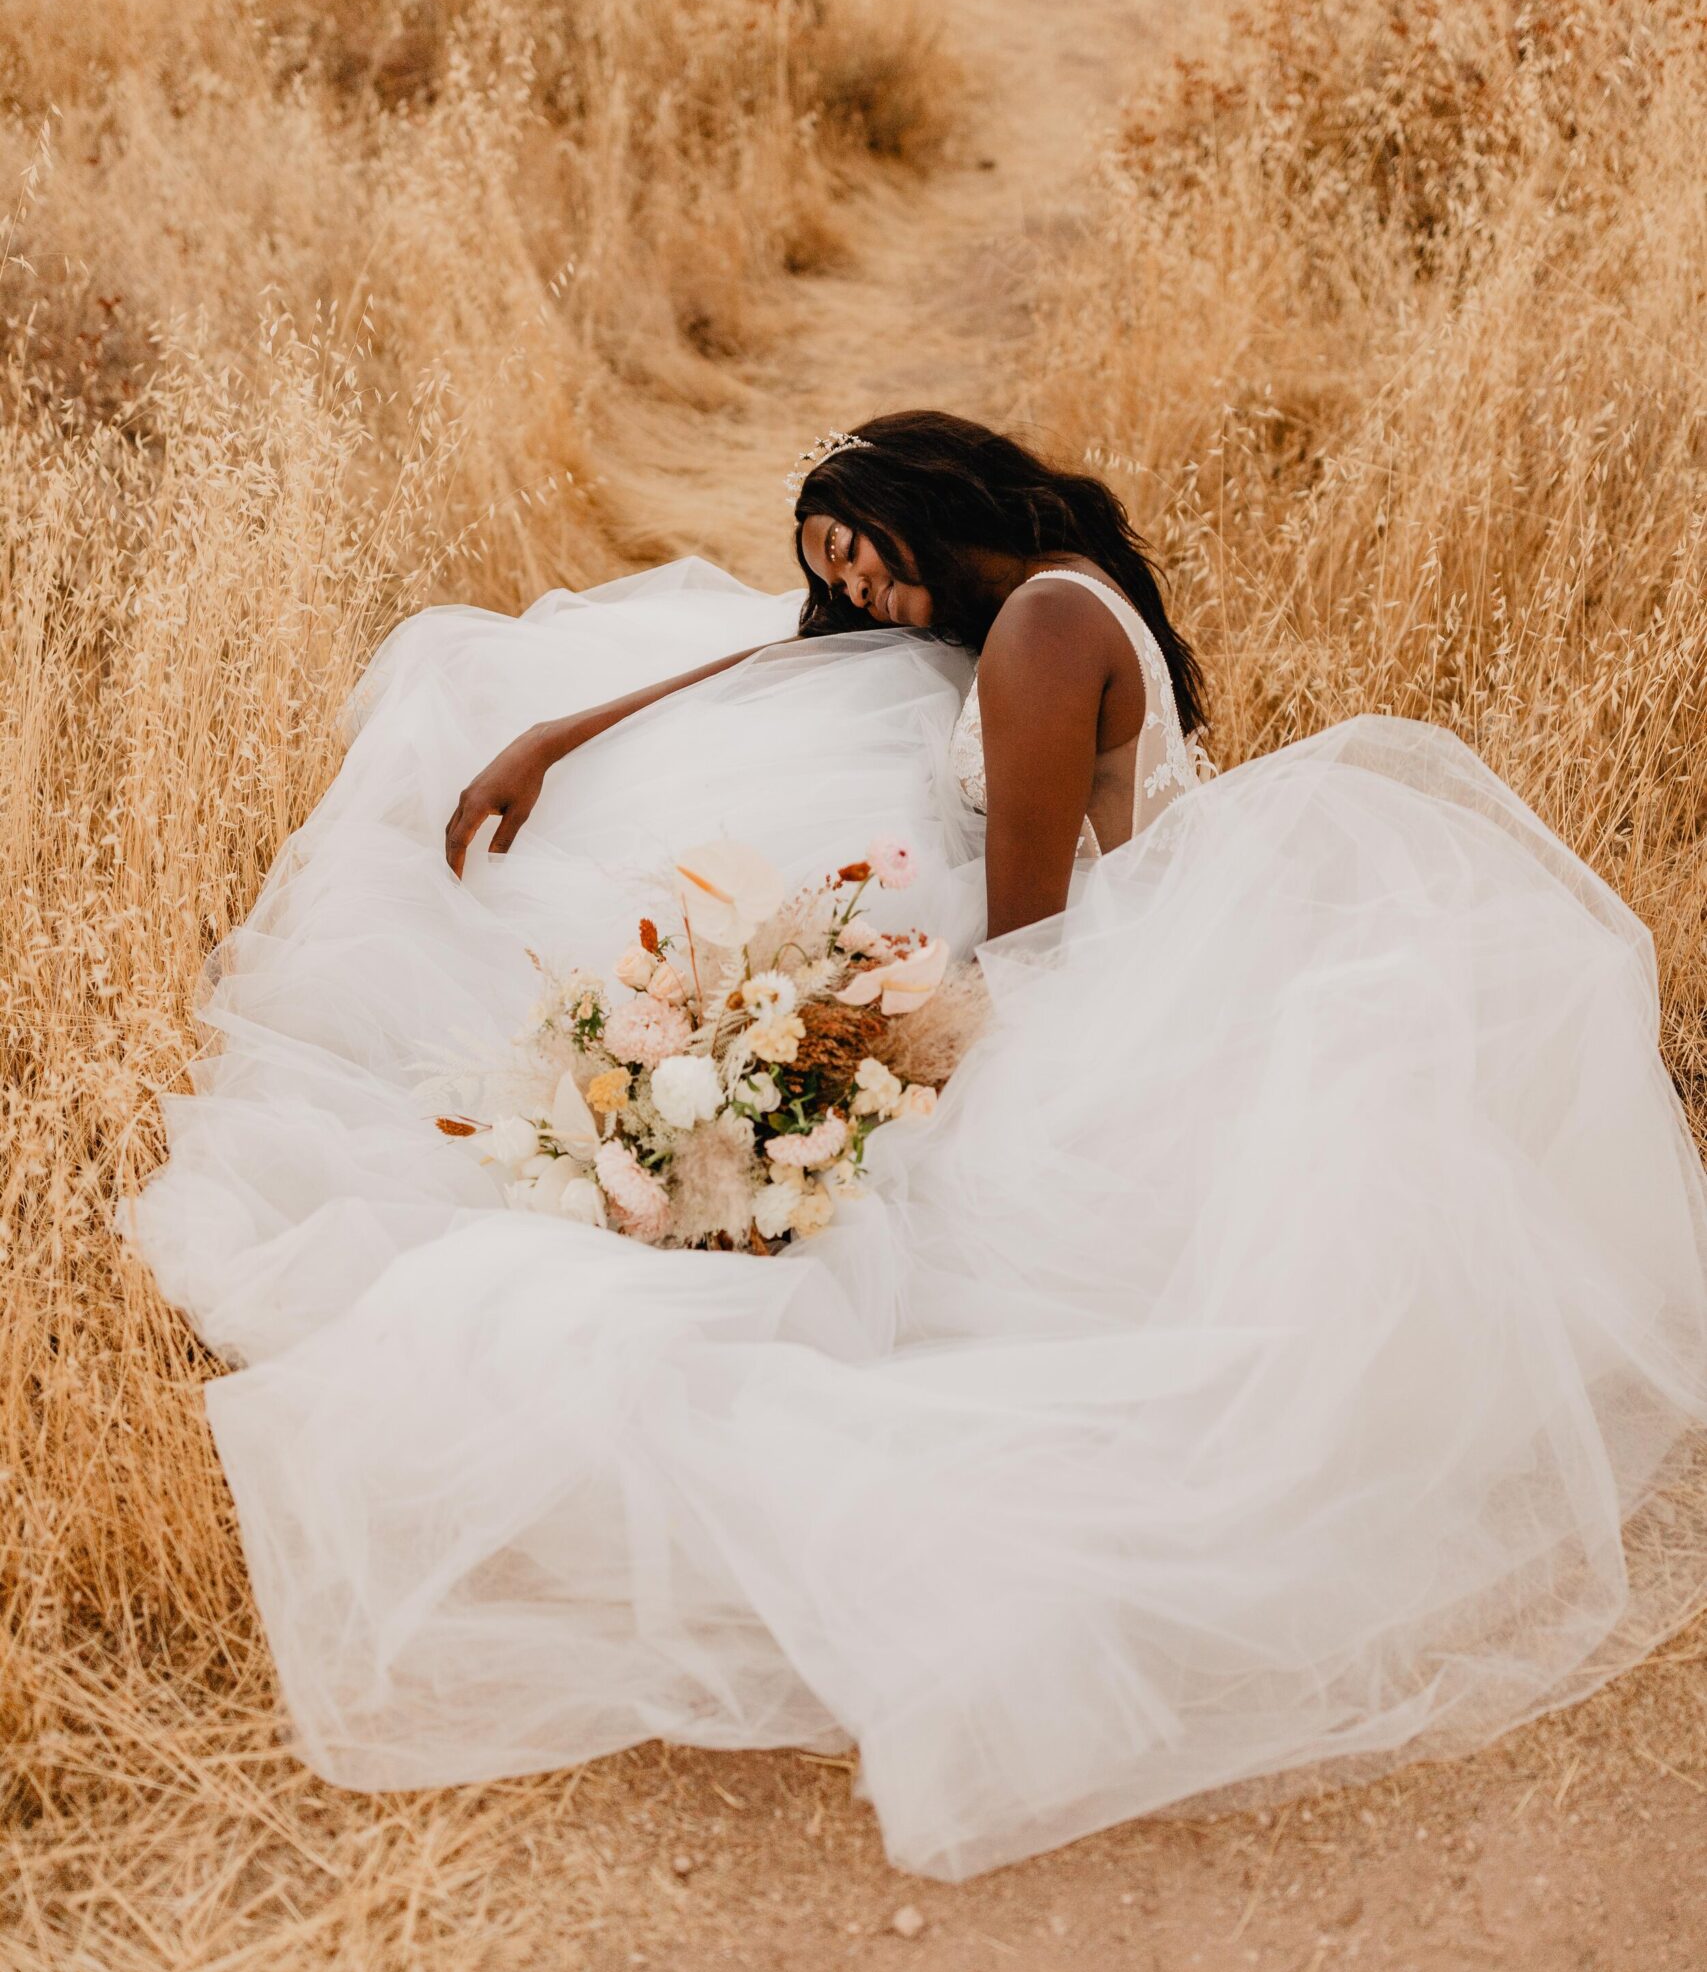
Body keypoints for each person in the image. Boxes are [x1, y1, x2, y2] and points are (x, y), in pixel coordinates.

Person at [131, 410, 1707, 1882]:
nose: (860, 596)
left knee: (837, 1251)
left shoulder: (1039, 634)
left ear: (933, 507)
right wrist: (564, 723)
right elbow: (759, 660)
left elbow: (1028, 942)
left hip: (1088, 992)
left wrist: (857, 1049)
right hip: (1102, 944)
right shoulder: (1044, 598)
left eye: (865, 555)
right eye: (836, 571)